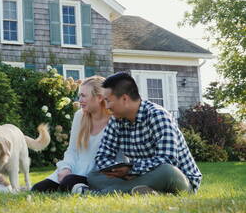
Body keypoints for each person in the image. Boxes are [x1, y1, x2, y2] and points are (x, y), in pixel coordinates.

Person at [74, 72, 202, 195]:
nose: (106, 106)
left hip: (179, 180)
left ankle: (99, 194)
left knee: (166, 171)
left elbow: (167, 159)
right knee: (93, 176)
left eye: (108, 101)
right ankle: (147, 192)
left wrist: (132, 170)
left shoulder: (157, 116)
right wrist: (117, 170)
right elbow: (102, 156)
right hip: (136, 176)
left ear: (124, 99)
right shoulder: (116, 120)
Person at [31, 76, 111, 193]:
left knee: (68, 182)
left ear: (99, 97)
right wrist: (65, 168)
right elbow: (72, 150)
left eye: (83, 96)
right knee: (38, 189)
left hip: (97, 175)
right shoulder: (80, 116)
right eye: (79, 95)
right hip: (73, 170)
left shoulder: (114, 120)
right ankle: (79, 189)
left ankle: (87, 190)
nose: (79, 100)